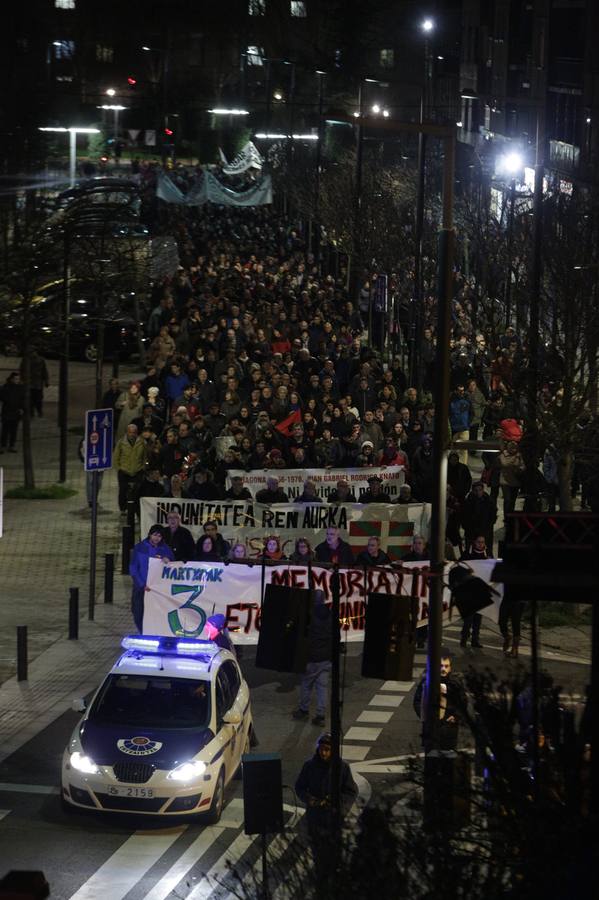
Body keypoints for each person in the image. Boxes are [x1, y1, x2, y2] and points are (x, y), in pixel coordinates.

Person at [295, 733, 358, 890]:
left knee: (333, 849)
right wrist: (309, 799)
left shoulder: (342, 768)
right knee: (317, 848)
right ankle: (321, 877)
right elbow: (300, 786)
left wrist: (339, 806)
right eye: (322, 749)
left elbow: (351, 791)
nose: (324, 753)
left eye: (328, 750)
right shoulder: (309, 766)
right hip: (315, 816)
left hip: (333, 817)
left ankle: (333, 877)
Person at [413, 648, 467, 752]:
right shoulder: (427, 682)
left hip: (449, 728)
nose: (443, 669)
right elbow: (417, 701)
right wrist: (425, 716)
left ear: (450, 668)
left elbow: (463, 702)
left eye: (446, 666)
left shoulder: (455, 684)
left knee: (447, 757)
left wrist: (456, 716)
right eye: (441, 666)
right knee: (431, 756)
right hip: (431, 727)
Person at [292, 590, 333, 726]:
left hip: (311, 657)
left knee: (307, 685)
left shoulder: (308, 616)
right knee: (322, 687)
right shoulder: (331, 615)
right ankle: (320, 715)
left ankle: (304, 710)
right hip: (326, 657)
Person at [129, 524, 174, 632]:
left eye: (159, 536)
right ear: (150, 534)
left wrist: (169, 560)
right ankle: (142, 632)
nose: (156, 538)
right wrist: (141, 584)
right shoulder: (140, 547)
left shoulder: (165, 549)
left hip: (157, 590)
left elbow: (173, 565)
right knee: (138, 612)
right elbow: (133, 567)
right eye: (155, 535)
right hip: (141, 588)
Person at [459, 535, 489, 649]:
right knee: (469, 618)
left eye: (482, 542)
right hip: (469, 591)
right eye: (478, 542)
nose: (481, 544)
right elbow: (459, 567)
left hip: (481, 591)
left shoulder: (487, 555)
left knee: (478, 618)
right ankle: (464, 638)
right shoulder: (467, 555)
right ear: (474, 543)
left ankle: (475, 640)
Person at [113, 423, 147, 514]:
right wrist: (119, 468)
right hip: (124, 471)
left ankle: (136, 509)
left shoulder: (142, 442)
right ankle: (123, 509)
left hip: (138, 470)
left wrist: (143, 467)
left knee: (137, 491)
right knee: (123, 490)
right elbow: (116, 456)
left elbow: (145, 456)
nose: (132, 434)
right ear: (127, 433)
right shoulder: (121, 443)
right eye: (130, 432)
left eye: (134, 432)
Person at [0, 372, 25, 453]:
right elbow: (2, 398)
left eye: (18, 379)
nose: (17, 380)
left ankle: (11, 445)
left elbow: (22, 399)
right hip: (7, 411)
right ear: (11, 379)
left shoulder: (20, 388)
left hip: (16, 411)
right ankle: (3, 446)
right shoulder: (5, 387)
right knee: (5, 430)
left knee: (13, 430)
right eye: (15, 379)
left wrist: (21, 408)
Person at [20, 348, 49, 417]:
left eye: (32, 352)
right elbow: (22, 370)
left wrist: (46, 380)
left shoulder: (41, 360)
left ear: (35, 352)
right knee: (30, 398)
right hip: (29, 382)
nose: (32, 353)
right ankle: (31, 412)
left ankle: (39, 411)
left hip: (37, 382)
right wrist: (22, 379)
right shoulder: (25, 359)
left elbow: (44, 370)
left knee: (38, 398)